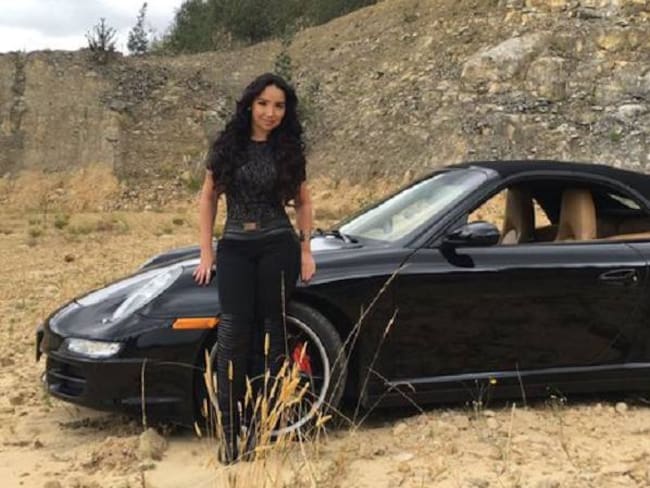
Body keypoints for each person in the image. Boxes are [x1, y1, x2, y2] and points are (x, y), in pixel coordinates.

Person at [192, 73, 316, 464]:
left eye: (278, 106)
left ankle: (262, 429)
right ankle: (230, 436)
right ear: (250, 104)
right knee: (232, 337)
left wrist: (306, 249)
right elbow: (208, 198)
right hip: (234, 247)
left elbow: (304, 202)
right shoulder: (228, 146)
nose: (270, 113)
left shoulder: (288, 149)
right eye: (263, 104)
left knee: (272, 336)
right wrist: (206, 252)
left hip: (278, 246)